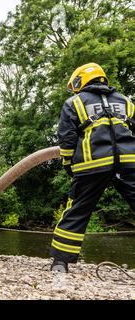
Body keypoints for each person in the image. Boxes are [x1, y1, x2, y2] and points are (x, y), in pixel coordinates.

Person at [53, 62, 135, 272]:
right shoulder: (125, 101)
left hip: (93, 164)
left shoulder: (74, 102)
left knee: (77, 210)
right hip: (128, 163)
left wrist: (68, 164)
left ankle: (60, 263)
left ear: (80, 80)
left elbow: (67, 139)